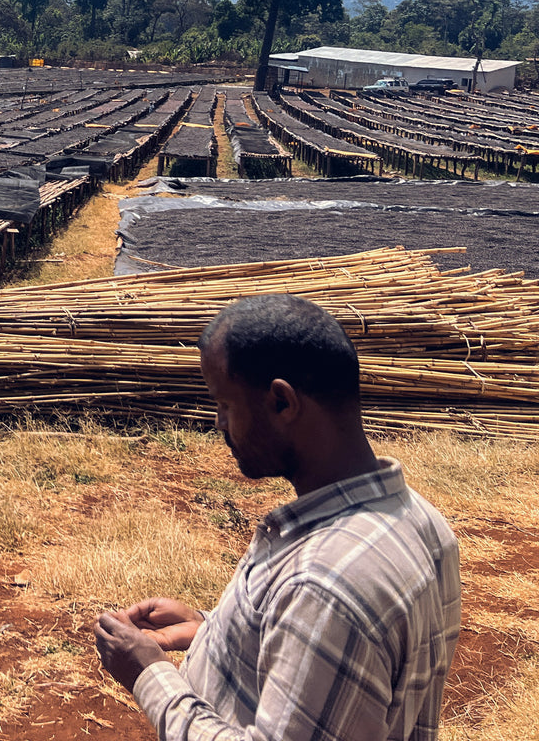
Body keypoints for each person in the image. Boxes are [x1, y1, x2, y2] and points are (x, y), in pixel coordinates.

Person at [92, 294, 461, 741]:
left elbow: (326, 618)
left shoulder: (326, 587)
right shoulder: (422, 522)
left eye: (225, 404)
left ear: (283, 403)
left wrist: (147, 672)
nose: (218, 423)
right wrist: (220, 631)